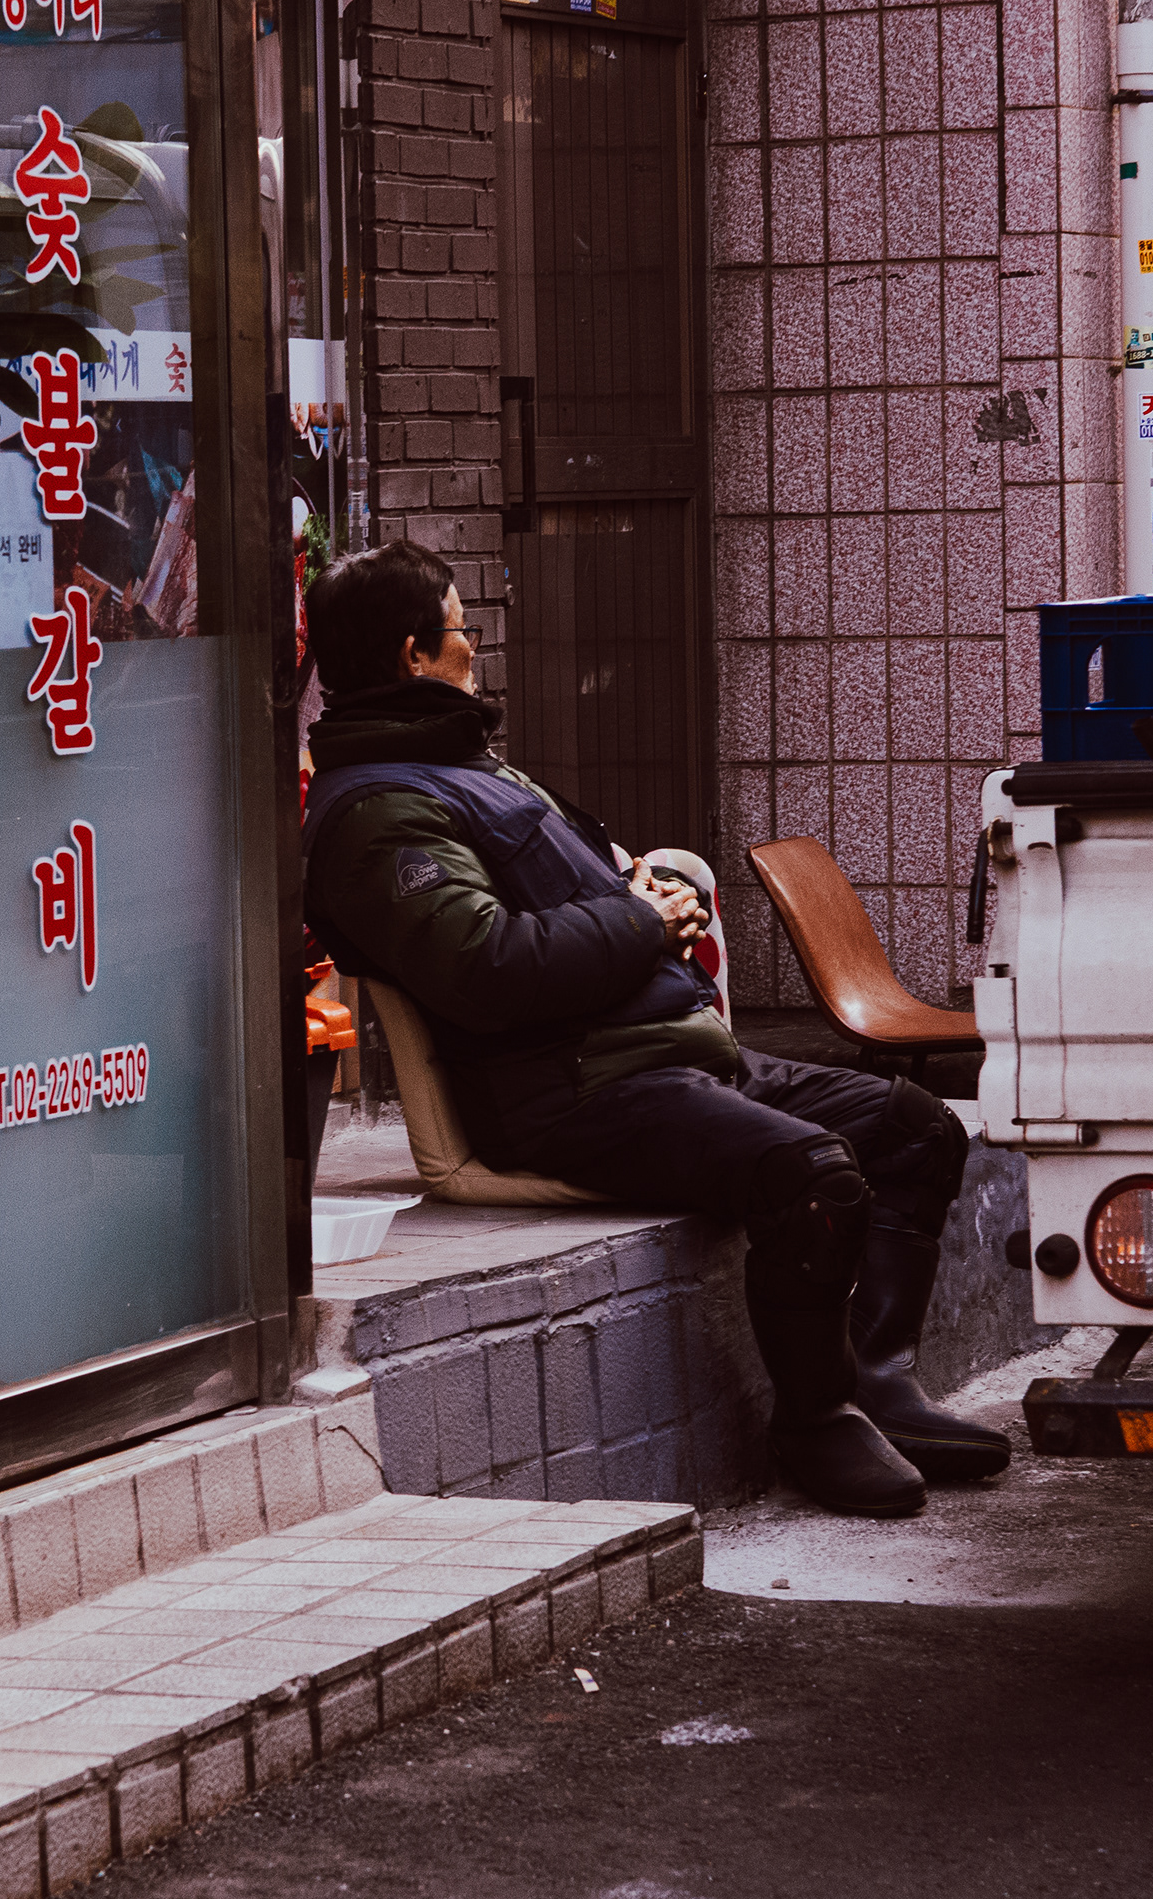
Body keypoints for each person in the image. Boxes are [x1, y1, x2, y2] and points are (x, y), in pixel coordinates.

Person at [298, 539, 1006, 1519]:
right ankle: (815, 1418)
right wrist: (642, 920)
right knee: (811, 1174)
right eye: (463, 629)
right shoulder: (378, 809)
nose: (475, 647)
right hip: (573, 1088)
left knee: (915, 1127)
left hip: (663, 1055)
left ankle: (879, 1381)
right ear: (415, 654)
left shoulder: (457, 768)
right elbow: (486, 967)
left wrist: (644, 890)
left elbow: (565, 899)